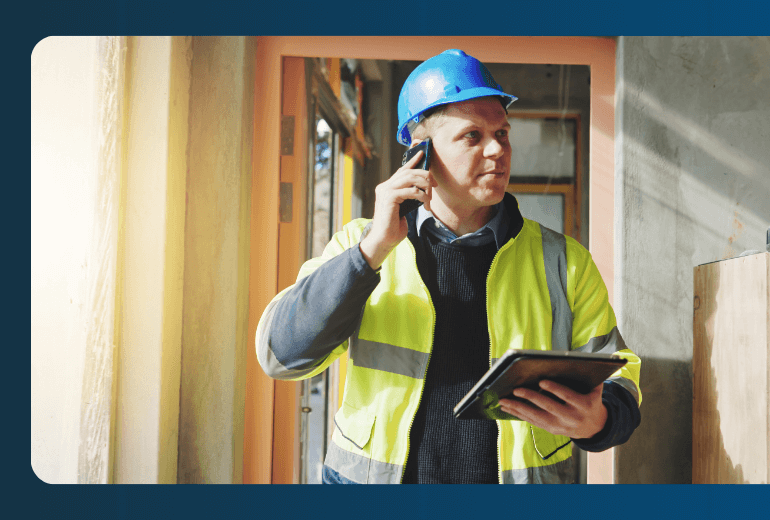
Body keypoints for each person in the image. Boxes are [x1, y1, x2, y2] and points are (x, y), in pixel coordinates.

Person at [256, 49, 641, 484]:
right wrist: (371, 251)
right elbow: (280, 355)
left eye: (502, 133)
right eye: (472, 136)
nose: (497, 149)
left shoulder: (563, 260)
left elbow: (620, 372)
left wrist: (600, 419)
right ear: (420, 155)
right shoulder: (359, 246)